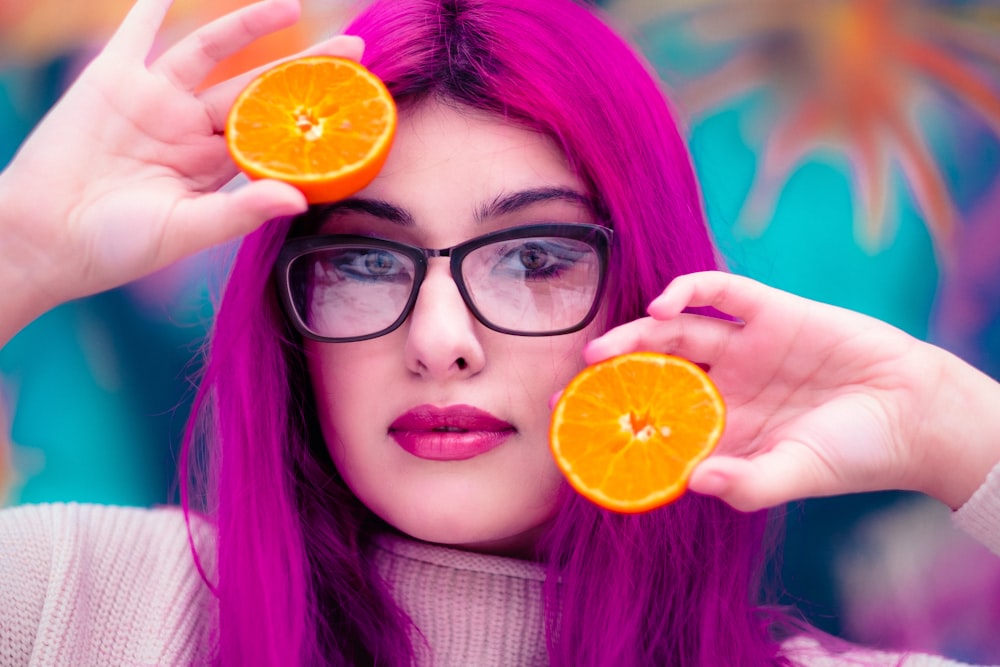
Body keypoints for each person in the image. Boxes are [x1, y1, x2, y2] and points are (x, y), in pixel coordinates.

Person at [0, 0, 998, 664]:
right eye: (362, 262)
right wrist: (20, 250)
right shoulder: (75, 605)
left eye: (532, 260)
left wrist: (954, 427)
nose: (441, 340)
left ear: (644, 290)